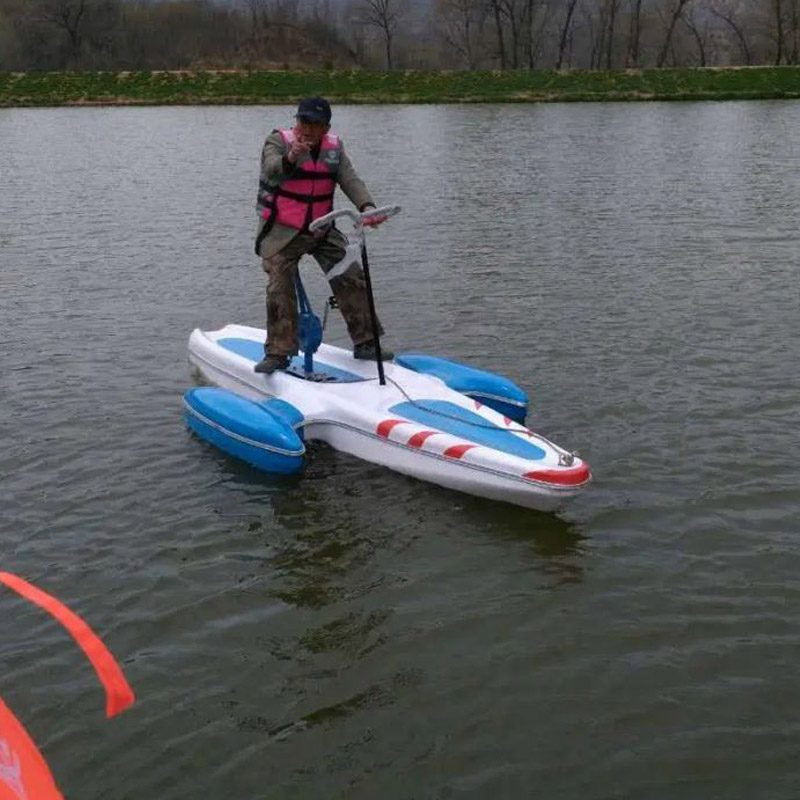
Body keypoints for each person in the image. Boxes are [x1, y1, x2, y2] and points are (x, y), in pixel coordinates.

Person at [253, 96, 391, 374]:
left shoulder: (334, 150)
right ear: (296, 122)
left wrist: (367, 207)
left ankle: (366, 342)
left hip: (322, 228)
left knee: (351, 272)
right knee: (279, 280)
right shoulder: (277, 142)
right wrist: (291, 157)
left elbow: (350, 179)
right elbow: (271, 169)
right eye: (303, 121)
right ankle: (278, 352)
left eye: (315, 124)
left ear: (326, 128)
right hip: (283, 231)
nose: (307, 129)